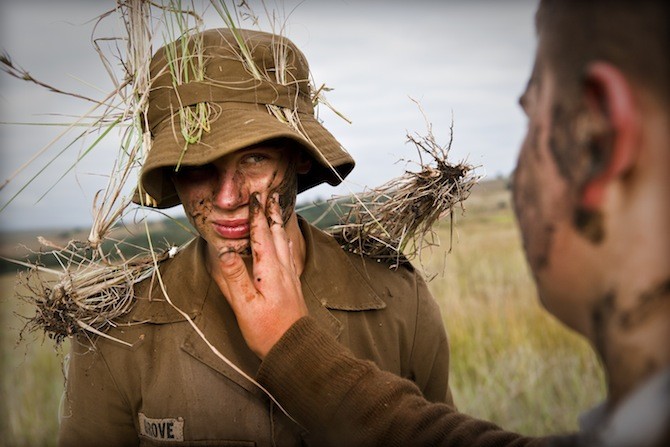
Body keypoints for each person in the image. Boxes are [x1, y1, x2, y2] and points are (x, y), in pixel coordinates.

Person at [215, 1, 670, 446]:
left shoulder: (400, 296)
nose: (227, 197)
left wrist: (292, 347)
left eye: (531, 116)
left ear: (597, 140)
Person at [57, 29, 456, 446]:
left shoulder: (396, 300)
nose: (228, 197)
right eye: (197, 164)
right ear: (173, 173)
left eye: (254, 158)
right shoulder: (117, 329)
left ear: (299, 155)